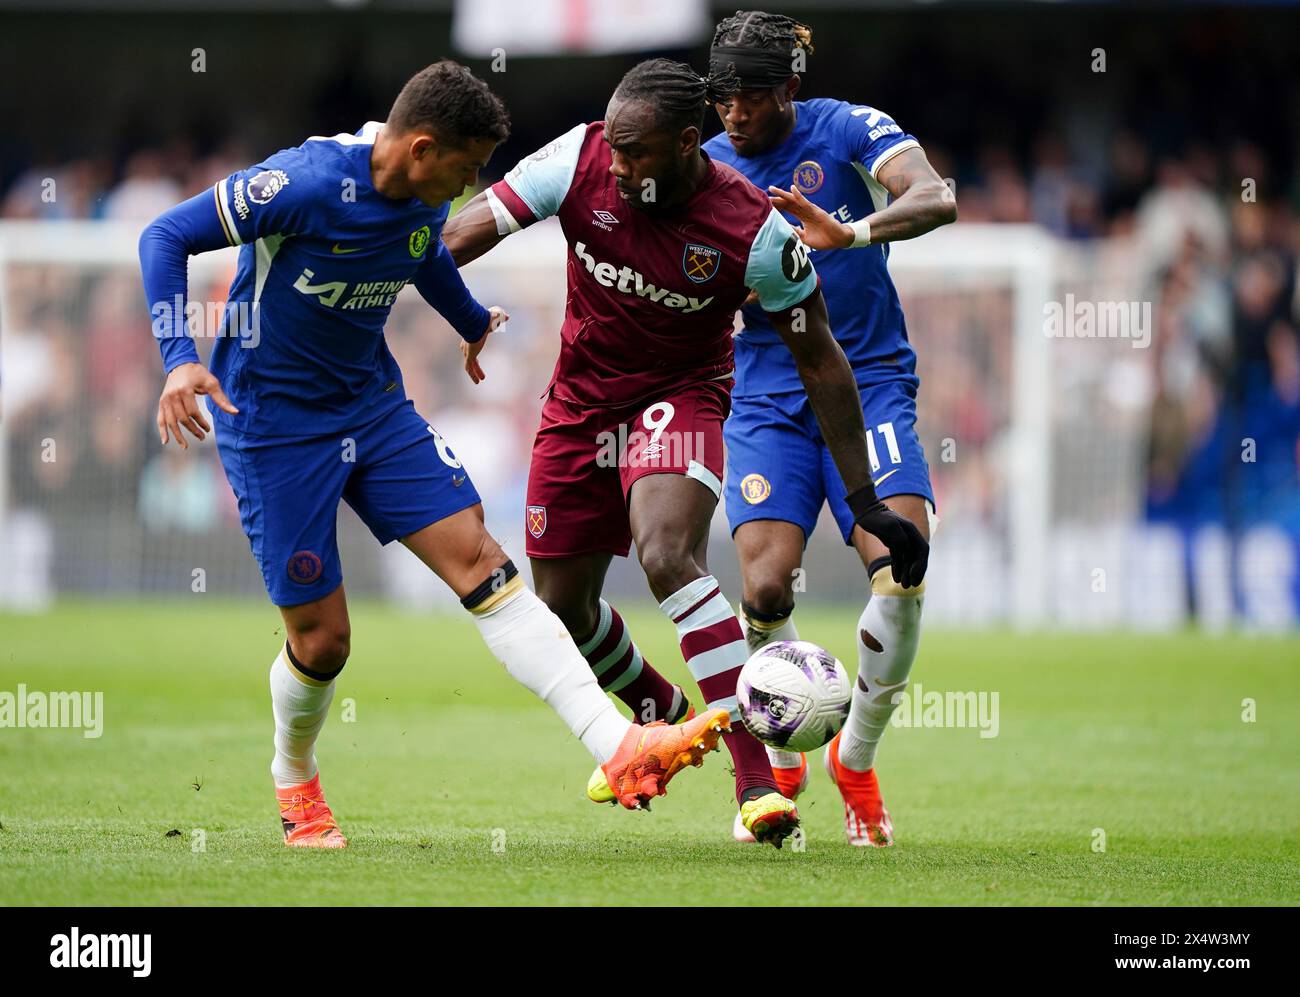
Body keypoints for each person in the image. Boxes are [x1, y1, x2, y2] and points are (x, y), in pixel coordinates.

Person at [137, 60, 730, 849]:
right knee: (324, 642)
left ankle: (617, 745)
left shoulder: (420, 198)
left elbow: (421, 253)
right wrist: (180, 357)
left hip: (372, 409)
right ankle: (295, 776)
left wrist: (468, 318)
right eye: (463, 167)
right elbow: (164, 234)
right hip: (272, 425)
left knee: (483, 559)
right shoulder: (304, 184)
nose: (468, 186)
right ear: (419, 149)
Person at [442, 58, 928, 847]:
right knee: (563, 605)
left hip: (684, 391)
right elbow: (462, 233)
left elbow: (822, 359)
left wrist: (864, 496)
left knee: (667, 551)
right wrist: (401, 278)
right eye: (617, 149)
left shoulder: (755, 231)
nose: (620, 164)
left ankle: (757, 780)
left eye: (637, 152)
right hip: (580, 402)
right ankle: (670, 718)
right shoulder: (577, 158)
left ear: (686, 144)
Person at [703, 11, 957, 845]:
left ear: (790, 90)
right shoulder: (705, 167)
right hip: (767, 394)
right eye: (721, 95)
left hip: (871, 382)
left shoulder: (846, 128)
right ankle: (783, 760)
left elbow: (935, 195)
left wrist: (853, 231)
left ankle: (856, 754)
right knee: (767, 586)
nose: (732, 111)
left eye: (748, 95)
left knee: (903, 565)